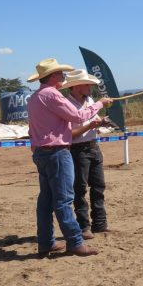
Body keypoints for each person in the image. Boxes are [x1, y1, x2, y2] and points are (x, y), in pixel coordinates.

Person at [27, 58, 113, 256]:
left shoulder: (35, 97)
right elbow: (78, 116)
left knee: (46, 200)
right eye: (61, 73)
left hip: (42, 152)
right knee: (64, 199)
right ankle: (75, 242)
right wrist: (100, 104)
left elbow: (33, 128)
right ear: (53, 76)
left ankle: (46, 242)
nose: (64, 76)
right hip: (56, 152)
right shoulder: (52, 95)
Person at [61, 69, 112, 239]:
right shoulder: (67, 105)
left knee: (99, 186)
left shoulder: (89, 100)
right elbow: (69, 135)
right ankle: (84, 226)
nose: (91, 87)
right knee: (80, 189)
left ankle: (100, 223)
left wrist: (101, 122)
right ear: (77, 86)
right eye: (87, 84)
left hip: (93, 147)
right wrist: (90, 126)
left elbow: (92, 121)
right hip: (78, 150)